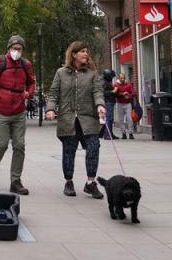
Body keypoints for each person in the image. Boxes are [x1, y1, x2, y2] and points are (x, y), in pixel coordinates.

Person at [46, 40, 106, 200]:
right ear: (73, 54)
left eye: (87, 51)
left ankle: (90, 183)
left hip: (88, 119)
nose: (86, 54)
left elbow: (98, 91)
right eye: (82, 51)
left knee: (93, 148)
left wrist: (100, 105)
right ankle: (69, 182)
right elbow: (53, 93)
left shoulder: (92, 74)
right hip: (68, 119)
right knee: (68, 151)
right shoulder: (61, 73)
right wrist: (50, 108)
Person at [0, 35, 36, 195]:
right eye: (14, 49)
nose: (17, 52)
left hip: (19, 111)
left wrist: (29, 93)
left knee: (19, 146)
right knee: (1, 144)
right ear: (8, 49)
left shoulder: (26, 65)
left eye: (19, 49)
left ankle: (16, 181)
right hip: (1, 110)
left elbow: (32, 82)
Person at [113, 72, 135, 139]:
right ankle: (123, 133)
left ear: (125, 78)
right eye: (121, 78)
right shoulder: (116, 85)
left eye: (123, 78)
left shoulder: (128, 84)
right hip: (119, 104)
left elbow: (134, 93)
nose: (122, 79)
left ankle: (131, 133)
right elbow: (114, 94)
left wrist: (129, 95)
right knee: (121, 120)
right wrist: (122, 94)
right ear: (119, 78)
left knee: (129, 119)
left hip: (128, 104)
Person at [100, 69, 117, 140]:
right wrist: (112, 91)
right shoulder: (104, 83)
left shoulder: (107, 82)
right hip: (107, 102)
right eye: (111, 77)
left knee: (110, 119)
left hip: (110, 102)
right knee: (108, 118)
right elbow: (103, 93)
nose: (112, 78)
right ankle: (107, 134)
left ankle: (110, 133)